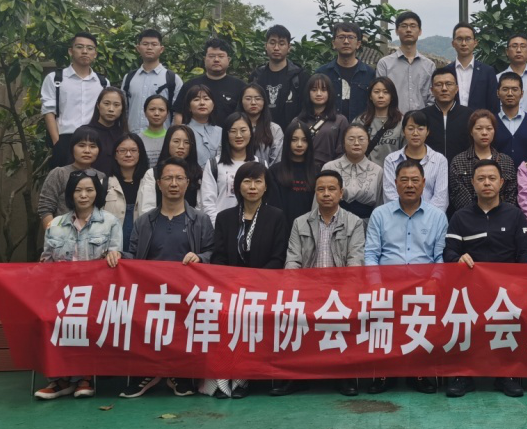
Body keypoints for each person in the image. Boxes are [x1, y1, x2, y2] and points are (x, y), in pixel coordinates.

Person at [121, 158, 214, 399]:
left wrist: (200, 257)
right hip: (150, 295)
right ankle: (148, 373)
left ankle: (178, 374)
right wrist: (117, 256)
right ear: (159, 184)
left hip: (188, 294)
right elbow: (133, 255)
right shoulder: (144, 222)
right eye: (168, 178)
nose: (174, 183)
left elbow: (212, 253)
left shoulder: (200, 220)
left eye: (179, 178)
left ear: (187, 183)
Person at [443, 158, 527, 398]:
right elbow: (449, 252)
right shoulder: (460, 217)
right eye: (481, 179)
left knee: (509, 322)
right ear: (472, 183)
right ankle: (463, 375)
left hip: (507, 290)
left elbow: (525, 252)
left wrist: (519, 284)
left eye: (492, 178)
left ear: (501, 182)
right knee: (461, 319)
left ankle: (507, 375)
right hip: (470, 289)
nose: (486, 183)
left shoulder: (515, 216)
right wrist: (458, 259)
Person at [34, 168, 122, 400]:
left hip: (97, 293)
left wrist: (114, 256)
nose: (83, 195)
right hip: (60, 293)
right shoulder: (55, 224)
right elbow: (46, 261)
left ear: (97, 193)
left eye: (89, 190)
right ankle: (59, 379)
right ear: (70, 194)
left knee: (90, 317)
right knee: (48, 318)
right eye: (78, 190)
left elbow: (116, 256)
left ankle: (86, 376)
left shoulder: (110, 222)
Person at [365, 159, 448, 396]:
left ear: (423, 183)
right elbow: (371, 254)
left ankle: (418, 373)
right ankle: (385, 373)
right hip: (387, 285)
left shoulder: (437, 217)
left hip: (423, 286)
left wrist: (435, 281)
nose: (409, 185)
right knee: (384, 325)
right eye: (404, 180)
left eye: (414, 180)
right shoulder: (380, 214)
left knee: (420, 325)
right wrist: (376, 285)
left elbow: (440, 256)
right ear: (395, 183)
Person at [207, 161, 289, 398]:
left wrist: (255, 282)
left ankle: (244, 379)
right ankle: (223, 380)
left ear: (266, 186)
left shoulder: (276, 216)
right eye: (247, 181)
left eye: (258, 181)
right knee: (224, 318)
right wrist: (232, 282)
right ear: (238, 186)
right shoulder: (224, 218)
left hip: (265, 288)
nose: (252, 187)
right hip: (230, 288)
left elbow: (278, 257)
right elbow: (218, 256)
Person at [284, 169, 368, 396]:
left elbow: (355, 261)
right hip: (307, 290)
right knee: (293, 317)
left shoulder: (354, 222)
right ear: (315, 193)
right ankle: (297, 377)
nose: (326, 194)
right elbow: (292, 260)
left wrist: (344, 293)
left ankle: (344, 376)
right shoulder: (300, 222)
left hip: (340, 291)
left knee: (343, 317)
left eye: (332, 189)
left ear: (341, 193)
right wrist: (295, 292)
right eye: (321, 189)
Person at [41, 31, 108, 169]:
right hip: (64, 140)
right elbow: (48, 112)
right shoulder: (55, 79)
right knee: (64, 181)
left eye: (90, 48)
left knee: (95, 180)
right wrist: (57, 143)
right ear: (71, 51)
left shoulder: (103, 83)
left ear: (95, 54)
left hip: (95, 141)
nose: (85, 51)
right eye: (79, 47)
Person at [37, 126, 122, 228]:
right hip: (63, 233)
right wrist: (54, 233)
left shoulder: (101, 176)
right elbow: (45, 208)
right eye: (81, 145)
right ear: (72, 148)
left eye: (93, 146)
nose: (87, 150)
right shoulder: (59, 173)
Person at [448, 110, 518, 214]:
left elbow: (511, 195)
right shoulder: (459, 161)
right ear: (471, 131)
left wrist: (500, 216)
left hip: (502, 218)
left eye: (489, 128)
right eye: (479, 128)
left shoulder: (506, 161)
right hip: (469, 218)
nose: (484, 133)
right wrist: (479, 216)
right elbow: (458, 195)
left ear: (494, 131)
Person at [382, 110, 449, 211]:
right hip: (398, 217)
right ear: (403, 131)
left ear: (427, 131)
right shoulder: (391, 160)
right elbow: (390, 196)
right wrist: (406, 215)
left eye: (420, 129)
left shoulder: (440, 160)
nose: (415, 133)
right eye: (410, 129)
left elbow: (441, 199)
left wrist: (422, 216)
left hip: (430, 218)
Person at [172, 36, 246, 126]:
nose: (216, 60)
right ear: (204, 59)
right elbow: (179, 114)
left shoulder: (240, 86)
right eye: (211, 56)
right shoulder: (190, 86)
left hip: (231, 134)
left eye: (221, 56)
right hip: (194, 134)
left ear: (228, 60)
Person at [134, 124, 202, 218]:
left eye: (187, 142)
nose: (181, 146)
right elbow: (146, 210)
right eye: (176, 141)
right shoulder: (152, 174)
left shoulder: (198, 175)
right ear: (167, 143)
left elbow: (201, 209)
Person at [201, 112, 257, 224]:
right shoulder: (214, 164)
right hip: (222, 227)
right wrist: (219, 227)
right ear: (226, 134)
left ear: (251, 133)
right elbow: (207, 202)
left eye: (243, 130)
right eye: (233, 131)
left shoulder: (259, 164)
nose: (238, 135)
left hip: (253, 227)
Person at [248, 24, 306, 130]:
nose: (276, 48)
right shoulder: (257, 76)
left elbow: (306, 109)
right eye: (272, 43)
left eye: (281, 43)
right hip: (261, 133)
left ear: (289, 47)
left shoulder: (299, 76)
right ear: (266, 46)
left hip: (291, 134)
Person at [376, 11, 435, 114]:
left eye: (413, 26)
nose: (408, 30)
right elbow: (380, 95)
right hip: (392, 121)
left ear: (420, 31)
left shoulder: (429, 66)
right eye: (404, 26)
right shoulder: (384, 64)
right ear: (396, 31)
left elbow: (432, 99)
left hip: (421, 122)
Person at [316, 21, 376, 122]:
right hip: (328, 127)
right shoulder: (322, 73)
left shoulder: (370, 74)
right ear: (334, 43)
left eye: (351, 37)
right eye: (341, 37)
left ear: (358, 44)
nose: (346, 41)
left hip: (361, 128)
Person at [122, 28, 179, 134]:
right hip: (133, 139)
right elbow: (123, 110)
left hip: (162, 139)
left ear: (161, 49)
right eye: (145, 44)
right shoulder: (129, 78)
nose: (149, 47)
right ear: (138, 48)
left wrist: (172, 137)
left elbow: (178, 113)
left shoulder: (172, 79)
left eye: (154, 44)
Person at [323, 124, 384, 220]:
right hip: (334, 222)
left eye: (361, 139)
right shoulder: (330, 167)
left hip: (367, 224)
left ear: (368, 142)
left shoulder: (377, 170)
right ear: (343, 142)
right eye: (351, 139)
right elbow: (320, 201)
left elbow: (380, 206)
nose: (356, 143)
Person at [296, 73, 349, 167]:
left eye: (323, 90)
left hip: (330, 170)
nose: (319, 94)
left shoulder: (340, 120)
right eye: (314, 90)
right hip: (302, 169)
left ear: (330, 93)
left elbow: (343, 152)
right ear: (308, 93)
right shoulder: (298, 121)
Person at [271, 121, 317, 224]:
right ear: (287, 141)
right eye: (294, 140)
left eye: (304, 140)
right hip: (282, 228)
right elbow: (274, 207)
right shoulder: (274, 171)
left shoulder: (317, 171)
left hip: (311, 228)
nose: (299, 145)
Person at [110, 134, 149, 255]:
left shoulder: (149, 183)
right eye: (122, 150)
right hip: (111, 249)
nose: (128, 154)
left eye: (133, 150)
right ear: (115, 155)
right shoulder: (105, 183)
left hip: (142, 246)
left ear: (140, 153)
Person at [493, 72, 527, 169]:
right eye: (505, 89)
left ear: (522, 93)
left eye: (515, 89)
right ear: (498, 93)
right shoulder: (491, 122)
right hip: (497, 177)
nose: (510, 93)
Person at [450, 22, 499, 113]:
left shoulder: (487, 72)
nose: (464, 43)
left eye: (468, 39)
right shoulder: (446, 71)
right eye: (459, 39)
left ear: (475, 42)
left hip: (480, 121)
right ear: (453, 43)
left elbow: (494, 105)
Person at [425, 66, 471, 158]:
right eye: (438, 85)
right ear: (432, 90)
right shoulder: (423, 116)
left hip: (462, 165)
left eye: (449, 84)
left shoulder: (469, 115)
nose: (444, 89)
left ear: (457, 89)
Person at [361, 77, 405, 165]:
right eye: (376, 92)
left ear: (392, 96)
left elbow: (406, 152)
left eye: (386, 92)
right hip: (365, 171)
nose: (381, 96)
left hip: (393, 170)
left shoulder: (401, 121)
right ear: (370, 96)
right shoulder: (361, 121)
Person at [86, 86, 128, 176]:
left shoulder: (125, 136)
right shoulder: (85, 133)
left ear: (122, 109)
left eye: (116, 105)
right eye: (106, 103)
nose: (111, 109)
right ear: (98, 105)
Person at [240, 83, 283, 167]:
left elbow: (277, 161)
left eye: (258, 98)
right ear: (241, 101)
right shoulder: (233, 127)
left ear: (264, 101)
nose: (253, 102)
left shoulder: (274, 129)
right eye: (248, 99)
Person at [181, 83, 221, 162]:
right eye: (196, 99)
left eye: (206, 99)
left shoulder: (221, 132)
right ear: (188, 106)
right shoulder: (181, 131)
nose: (202, 103)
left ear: (213, 105)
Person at [137, 93, 170, 167]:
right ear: (145, 113)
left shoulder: (172, 138)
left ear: (167, 114)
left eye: (161, 110)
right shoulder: (138, 139)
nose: (156, 113)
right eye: (152, 109)